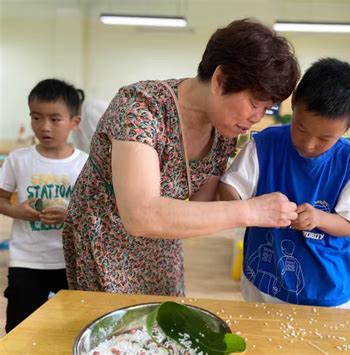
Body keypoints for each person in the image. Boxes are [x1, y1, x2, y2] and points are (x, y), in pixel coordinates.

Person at [63, 18, 300, 295]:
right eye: (254, 104)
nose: (256, 118)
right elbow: (141, 215)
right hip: (105, 247)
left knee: (163, 325)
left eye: (266, 109)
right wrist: (251, 211)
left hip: (162, 245)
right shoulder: (141, 107)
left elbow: (198, 208)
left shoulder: (223, 132)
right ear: (220, 80)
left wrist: (238, 195)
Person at [218, 58, 350, 308]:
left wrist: (319, 219)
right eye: (300, 128)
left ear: (347, 128)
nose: (309, 144)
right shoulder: (265, 145)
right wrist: (252, 210)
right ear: (294, 103)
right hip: (264, 281)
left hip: (325, 289)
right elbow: (228, 189)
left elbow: (349, 224)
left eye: (324, 138)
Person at [0, 79, 88, 332]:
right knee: (21, 327)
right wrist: (16, 211)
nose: (44, 126)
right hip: (26, 261)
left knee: (70, 328)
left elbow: (95, 212)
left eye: (55, 119)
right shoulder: (19, 159)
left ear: (75, 122)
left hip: (71, 261)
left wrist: (69, 216)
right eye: (36, 117)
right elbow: (1, 199)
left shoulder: (84, 164)